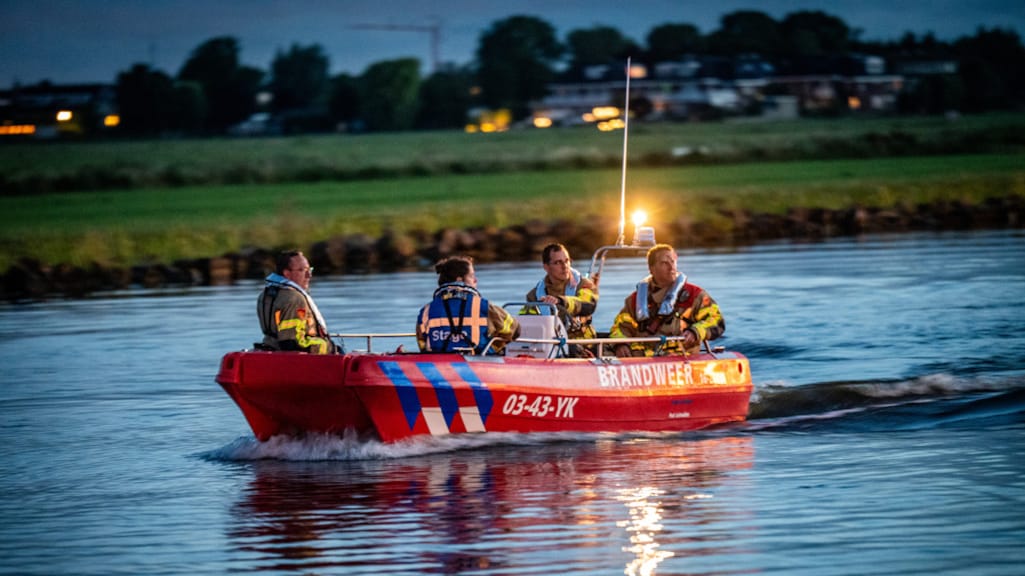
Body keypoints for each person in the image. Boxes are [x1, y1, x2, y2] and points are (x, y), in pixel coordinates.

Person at [609, 243, 724, 357]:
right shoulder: (635, 300)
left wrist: (695, 331)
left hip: (682, 358)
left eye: (673, 262)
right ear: (651, 268)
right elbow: (620, 328)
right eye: (664, 263)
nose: (671, 267)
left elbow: (717, 320)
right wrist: (620, 344)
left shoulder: (695, 295)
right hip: (642, 361)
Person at [417, 255, 520, 355]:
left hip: (435, 365)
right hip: (478, 363)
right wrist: (492, 349)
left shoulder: (426, 310)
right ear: (459, 280)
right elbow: (515, 329)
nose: (475, 280)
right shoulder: (483, 306)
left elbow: (422, 342)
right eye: (471, 276)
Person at [257, 250, 337, 354]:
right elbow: (291, 342)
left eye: (310, 270)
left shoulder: (265, 294)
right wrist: (328, 347)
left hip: (271, 347)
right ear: (287, 273)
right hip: (304, 359)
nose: (309, 275)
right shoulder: (295, 298)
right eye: (302, 270)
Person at [524, 243, 599, 341]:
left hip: (583, 345)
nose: (565, 266)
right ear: (546, 267)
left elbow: (588, 305)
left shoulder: (585, 285)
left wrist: (561, 301)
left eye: (567, 261)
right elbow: (526, 323)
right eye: (558, 263)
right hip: (549, 345)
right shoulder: (534, 296)